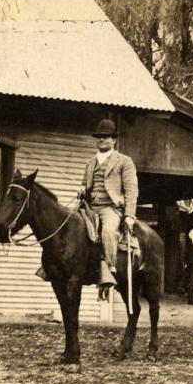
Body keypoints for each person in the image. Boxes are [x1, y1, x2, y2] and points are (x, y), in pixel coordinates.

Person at [79, 119, 138, 290]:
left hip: (110, 208)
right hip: (89, 207)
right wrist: (82, 189)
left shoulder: (124, 161)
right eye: (99, 137)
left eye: (106, 137)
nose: (101, 140)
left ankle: (108, 271)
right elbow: (85, 184)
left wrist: (129, 216)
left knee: (108, 231)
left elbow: (131, 190)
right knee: (64, 224)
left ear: (114, 140)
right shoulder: (90, 163)